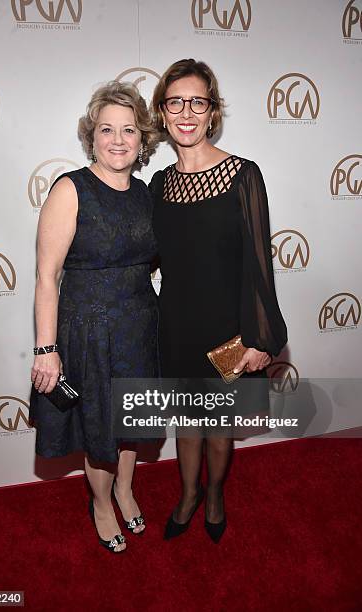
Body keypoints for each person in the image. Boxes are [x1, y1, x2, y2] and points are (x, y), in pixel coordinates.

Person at [150, 59, 287, 543]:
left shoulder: (242, 175)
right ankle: (188, 495)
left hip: (229, 330)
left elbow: (259, 264)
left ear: (211, 111)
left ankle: (213, 495)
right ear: (163, 113)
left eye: (197, 101)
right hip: (178, 327)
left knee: (218, 424)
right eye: (175, 102)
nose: (186, 111)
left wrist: (261, 336)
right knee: (188, 421)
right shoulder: (158, 185)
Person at [30, 81, 159, 553]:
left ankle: (126, 489)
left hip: (141, 327)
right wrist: (46, 350)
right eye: (107, 129)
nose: (118, 140)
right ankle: (102, 503)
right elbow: (47, 277)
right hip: (89, 330)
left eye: (129, 130)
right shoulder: (72, 188)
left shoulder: (146, 194)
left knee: (133, 424)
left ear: (143, 138)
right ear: (92, 136)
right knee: (102, 426)